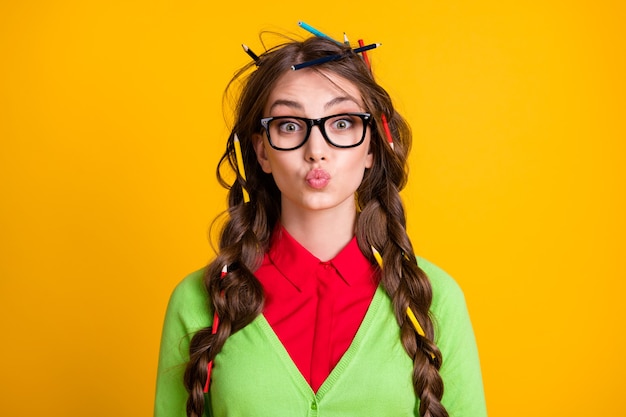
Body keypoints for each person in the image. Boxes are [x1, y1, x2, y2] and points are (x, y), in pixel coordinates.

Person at [155, 30, 487, 417]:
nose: (317, 151)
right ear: (262, 150)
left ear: (371, 146)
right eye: (290, 125)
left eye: (342, 123)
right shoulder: (199, 301)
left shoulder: (433, 300)